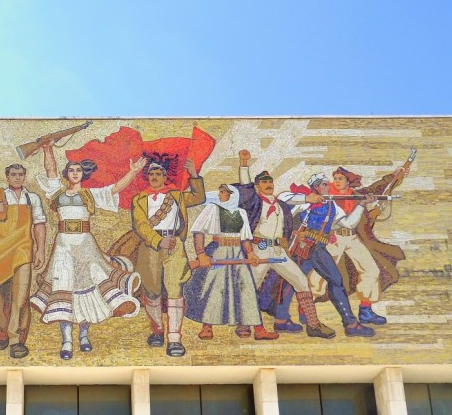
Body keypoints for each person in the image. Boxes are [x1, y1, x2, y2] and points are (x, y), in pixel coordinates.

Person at [31, 141, 144, 360]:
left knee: (87, 290)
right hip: (63, 247)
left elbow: (115, 188)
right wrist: (47, 149)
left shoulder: (91, 195)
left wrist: (132, 172)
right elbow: (50, 170)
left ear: (83, 174)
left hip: (85, 246)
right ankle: (66, 340)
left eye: (78, 170)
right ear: (67, 174)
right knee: (64, 289)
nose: (74, 173)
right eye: (71, 170)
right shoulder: (57, 193)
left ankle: (83, 335)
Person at [230, 150, 337, 339]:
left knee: (301, 281)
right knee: (251, 284)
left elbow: (288, 197)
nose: (268, 185)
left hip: (278, 250)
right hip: (259, 247)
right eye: (264, 182)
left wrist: (309, 199)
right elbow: (246, 187)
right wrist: (243, 164)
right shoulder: (254, 202)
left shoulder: (281, 204)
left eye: (270, 182)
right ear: (256, 187)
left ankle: (313, 325)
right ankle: (244, 324)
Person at [274, 172, 377, 337]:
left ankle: (281, 320)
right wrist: (308, 199)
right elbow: (282, 197)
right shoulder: (306, 201)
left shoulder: (333, 206)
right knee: (295, 281)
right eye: (323, 184)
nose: (328, 186)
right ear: (315, 187)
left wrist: (362, 205)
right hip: (302, 246)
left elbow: (349, 224)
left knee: (296, 281)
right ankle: (350, 324)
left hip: (318, 247)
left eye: (327, 184)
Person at [130, 157, 206, 357]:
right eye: (151, 174)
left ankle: (174, 339)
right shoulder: (139, 199)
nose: (154, 177)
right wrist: (157, 240)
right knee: (152, 291)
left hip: (175, 246)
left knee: (175, 290)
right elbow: (140, 225)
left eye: (158, 174)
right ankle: (157, 331)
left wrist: (194, 174)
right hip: (151, 246)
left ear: (164, 176)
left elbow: (199, 197)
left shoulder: (177, 195)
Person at [316, 166, 408, 325]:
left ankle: (366, 310)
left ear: (348, 182)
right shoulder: (326, 194)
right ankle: (306, 305)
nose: (336, 181)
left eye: (340, 179)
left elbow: (378, 188)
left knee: (371, 270)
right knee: (319, 273)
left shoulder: (358, 195)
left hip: (352, 238)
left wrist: (394, 176)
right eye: (335, 178)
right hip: (333, 238)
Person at [0, 164, 47, 359]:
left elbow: (39, 225)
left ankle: (16, 340)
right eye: (13, 175)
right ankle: (1, 334)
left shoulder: (33, 198)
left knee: (21, 298)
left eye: (21, 175)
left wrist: (41, 250)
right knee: (0, 297)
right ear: (7, 177)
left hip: (23, 252)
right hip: (1, 252)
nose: (17, 178)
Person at [183, 183, 276, 342]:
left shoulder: (241, 213)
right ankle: (207, 327)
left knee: (246, 289)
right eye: (220, 192)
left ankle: (258, 329)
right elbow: (199, 231)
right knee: (213, 288)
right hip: (218, 251)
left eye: (224, 192)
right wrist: (201, 254)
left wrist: (251, 253)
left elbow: (245, 237)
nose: (220, 195)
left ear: (233, 195)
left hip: (238, 253)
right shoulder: (212, 209)